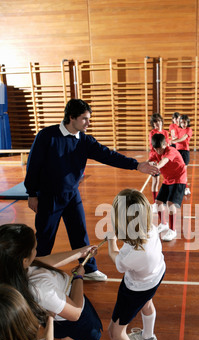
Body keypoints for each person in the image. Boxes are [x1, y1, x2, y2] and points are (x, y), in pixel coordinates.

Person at [24, 98, 159, 282]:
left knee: (80, 232)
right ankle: (32, 272)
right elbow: (33, 166)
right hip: (49, 197)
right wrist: (32, 193)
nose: (89, 123)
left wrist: (136, 165)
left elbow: (108, 155)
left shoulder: (84, 140)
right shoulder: (47, 136)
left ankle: (88, 268)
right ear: (71, 118)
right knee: (45, 237)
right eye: (85, 119)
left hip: (72, 194)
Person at [0, 223, 110, 340]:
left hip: (54, 319)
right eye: (34, 248)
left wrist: (80, 252)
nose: (37, 250)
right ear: (25, 259)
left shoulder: (13, 270)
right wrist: (78, 277)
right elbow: (75, 312)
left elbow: (45, 261)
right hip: (71, 310)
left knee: (68, 337)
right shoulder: (40, 287)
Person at [107, 189, 165, 340]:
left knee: (115, 332)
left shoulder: (131, 254)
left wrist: (111, 238)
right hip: (155, 275)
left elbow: (116, 259)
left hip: (135, 288)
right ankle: (148, 338)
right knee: (147, 303)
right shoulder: (150, 227)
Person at [149, 133, 187, 241]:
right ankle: (163, 224)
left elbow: (164, 161)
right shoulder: (155, 152)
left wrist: (156, 167)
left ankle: (172, 230)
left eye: (160, 149)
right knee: (158, 202)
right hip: (168, 179)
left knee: (170, 203)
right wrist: (138, 166)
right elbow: (149, 161)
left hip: (179, 179)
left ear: (165, 144)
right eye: (156, 149)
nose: (158, 151)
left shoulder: (171, 151)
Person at [148, 113, 170, 213]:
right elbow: (154, 146)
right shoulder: (152, 133)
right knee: (155, 181)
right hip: (155, 159)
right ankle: (155, 203)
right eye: (155, 122)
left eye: (159, 121)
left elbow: (167, 145)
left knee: (166, 180)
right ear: (153, 124)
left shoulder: (165, 132)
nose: (158, 123)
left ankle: (163, 201)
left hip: (164, 159)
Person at [170, 114, 192, 195]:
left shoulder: (189, 129)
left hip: (185, 152)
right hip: (178, 151)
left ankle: (186, 187)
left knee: (184, 170)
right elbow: (174, 138)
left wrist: (174, 141)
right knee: (178, 170)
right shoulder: (178, 129)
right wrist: (168, 141)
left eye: (185, 122)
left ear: (188, 122)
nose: (183, 124)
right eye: (182, 122)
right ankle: (179, 187)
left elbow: (184, 138)